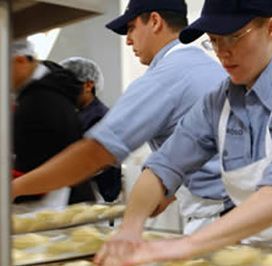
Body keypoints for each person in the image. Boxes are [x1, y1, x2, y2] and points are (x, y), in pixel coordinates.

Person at [94, 0, 272, 265]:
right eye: (214, 40)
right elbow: (163, 166)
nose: (222, 51)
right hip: (260, 251)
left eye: (233, 37)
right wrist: (130, 229)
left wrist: (185, 245)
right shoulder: (219, 102)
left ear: (271, 28)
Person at [12, 0, 231, 233]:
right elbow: (208, 152)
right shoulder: (204, 66)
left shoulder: (165, 77)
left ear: (155, 21)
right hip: (234, 208)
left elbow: (96, 153)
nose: (127, 40)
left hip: (217, 217)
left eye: (131, 28)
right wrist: (170, 190)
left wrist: (14, 188)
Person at [11, 40, 95, 206]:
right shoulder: (47, 90)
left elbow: (52, 158)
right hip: (59, 198)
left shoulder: (42, 98)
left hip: (59, 203)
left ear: (20, 61)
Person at [60, 57, 122, 202]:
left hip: (97, 194)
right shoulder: (78, 114)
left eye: (69, 86)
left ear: (88, 85)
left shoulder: (99, 117)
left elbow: (95, 162)